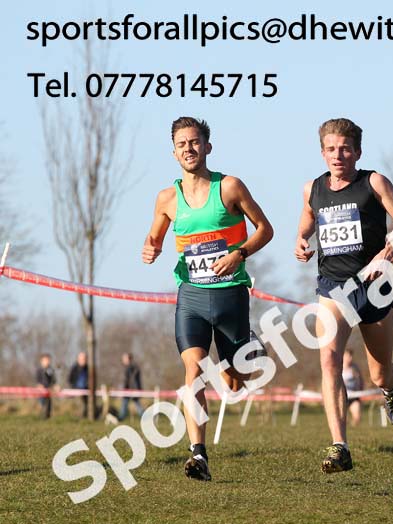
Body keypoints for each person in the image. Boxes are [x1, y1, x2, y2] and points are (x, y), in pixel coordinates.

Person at [142, 116, 274, 481]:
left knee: (234, 381)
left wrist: (239, 254)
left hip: (230, 295)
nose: (189, 148)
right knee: (194, 370)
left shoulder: (230, 187)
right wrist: (150, 247)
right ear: (173, 152)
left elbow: (266, 229)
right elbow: (155, 236)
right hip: (192, 297)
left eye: (195, 142)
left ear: (207, 146)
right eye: (182, 143)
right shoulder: (167, 198)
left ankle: (252, 352)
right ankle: (198, 454)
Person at [295, 118, 393, 473]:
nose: (338, 155)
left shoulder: (373, 182)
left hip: (373, 286)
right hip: (332, 287)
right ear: (322, 152)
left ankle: (390, 390)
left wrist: (386, 255)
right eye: (331, 149)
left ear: (358, 151)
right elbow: (306, 222)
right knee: (329, 359)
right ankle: (339, 446)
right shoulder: (312, 188)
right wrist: (301, 240)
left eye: (345, 148)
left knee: (379, 372)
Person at [119, 353, 145, 420]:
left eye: (124, 358)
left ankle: (144, 417)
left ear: (129, 359)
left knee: (136, 405)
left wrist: (128, 389)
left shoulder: (131, 368)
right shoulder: (131, 367)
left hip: (132, 390)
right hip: (130, 389)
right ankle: (121, 417)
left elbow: (130, 380)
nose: (123, 360)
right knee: (126, 404)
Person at [342, 349, 364, 427]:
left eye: (351, 356)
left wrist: (360, 391)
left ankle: (354, 432)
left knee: (357, 417)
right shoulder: (338, 367)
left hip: (354, 396)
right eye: (348, 356)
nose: (350, 358)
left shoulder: (355, 368)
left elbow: (361, 380)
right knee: (343, 419)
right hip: (342, 397)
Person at [67, 352, 89, 418]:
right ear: (78, 359)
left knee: (87, 405)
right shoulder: (74, 368)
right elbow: (70, 379)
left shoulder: (88, 368)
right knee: (80, 406)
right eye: (82, 359)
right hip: (76, 391)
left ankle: (85, 418)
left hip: (86, 391)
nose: (83, 361)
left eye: (84, 359)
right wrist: (74, 387)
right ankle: (79, 418)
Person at [35, 354, 56, 419]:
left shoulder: (50, 370)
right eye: (46, 360)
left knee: (49, 403)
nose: (47, 362)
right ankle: (41, 416)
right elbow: (37, 379)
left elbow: (53, 379)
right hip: (41, 390)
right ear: (42, 361)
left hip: (48, 389)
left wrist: (54, 385)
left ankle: (47, 417)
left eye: (48, 360)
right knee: (42, 403)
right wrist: (39, 385)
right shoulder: (39, 370)